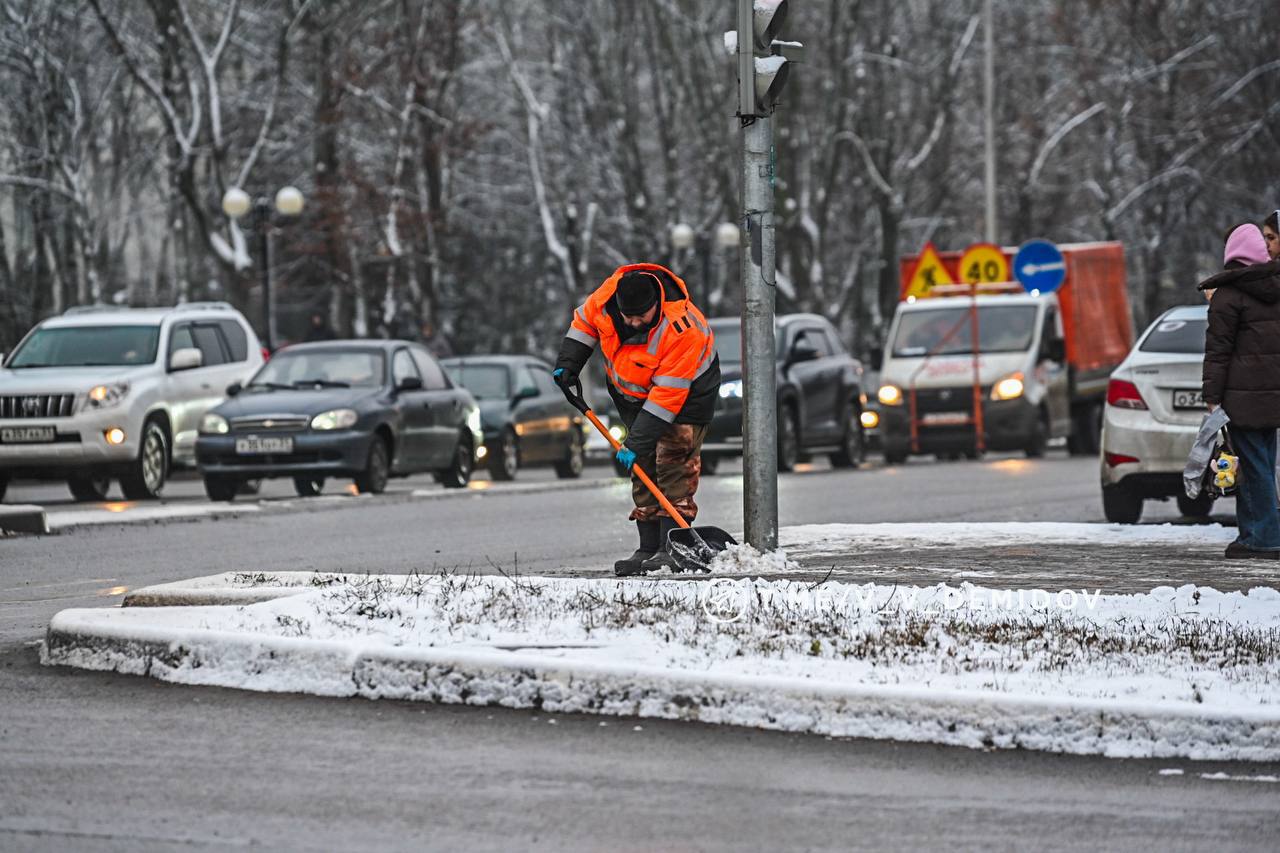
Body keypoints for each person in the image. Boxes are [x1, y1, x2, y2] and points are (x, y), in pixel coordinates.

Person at [553, 264, 720, 576]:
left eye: (639, 316)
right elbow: (584, 324)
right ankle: (647, 547)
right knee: (641, 466)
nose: (631, 323)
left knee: (673, 462)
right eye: (626, 316)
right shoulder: (606, 299)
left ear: (655, 304)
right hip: (633, 395)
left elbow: (667, 396)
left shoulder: (682, 329)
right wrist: (568, 363)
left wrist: (637, 440)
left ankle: (673, 546)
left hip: (687, 396)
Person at [1198, 222, 1280, 559]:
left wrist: (1212, 396)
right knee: (1259, 463)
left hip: (1241, 396)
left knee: (1253, 467)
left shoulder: (1228, 296)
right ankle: (1252, 534)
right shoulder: (1275, 288)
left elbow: (1219, 351)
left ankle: (1267, 536)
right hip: (1272, 395)